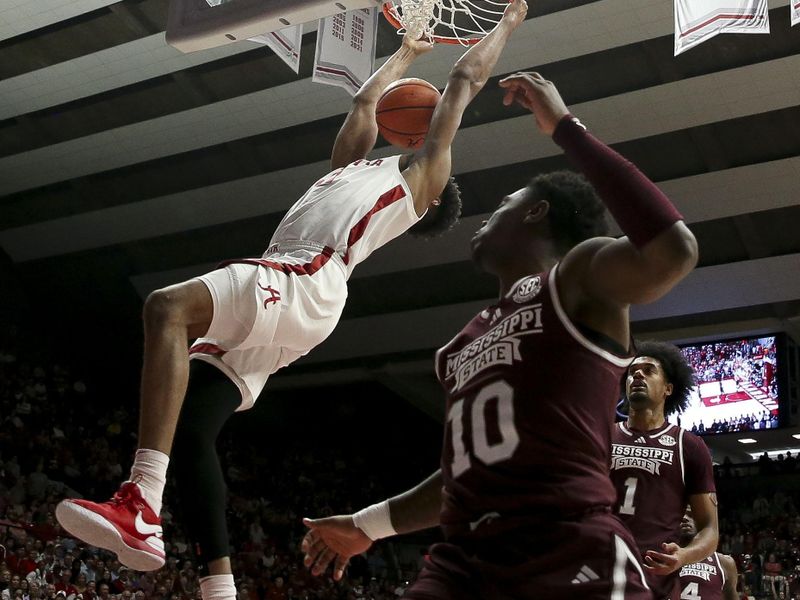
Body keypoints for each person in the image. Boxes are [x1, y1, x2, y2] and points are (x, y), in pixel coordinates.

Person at [54, 0, 528, 598]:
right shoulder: (351, 170)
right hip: (295, 294)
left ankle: (142, 499)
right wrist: (406, 52)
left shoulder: (420, 182)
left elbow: (464, 80)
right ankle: (217, 586)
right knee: (193, 427)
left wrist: (508, 21)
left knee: (166, 308)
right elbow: (363, 104)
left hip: (306, 277)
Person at [301, 68, 699, 598]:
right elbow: (462, 476)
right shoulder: (461, 343)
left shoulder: (578, 279)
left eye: (505, 203)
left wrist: (565, 128)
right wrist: (364, 525)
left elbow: (674, 250)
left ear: (536, 211)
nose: (485, 217)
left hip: (566, 541)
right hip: (464, 558)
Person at [611, 341, 719, 599]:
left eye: (649, 371)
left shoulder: (689, 446)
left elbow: (709, 529)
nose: (637, 374)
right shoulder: (603, 435)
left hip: (655, 583)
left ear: (668, 389)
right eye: (633, 371)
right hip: (600, 572)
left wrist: (684, 555)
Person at [677, 510, 738, 600]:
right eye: (680, 516)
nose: (685, 518)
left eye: (691, 515)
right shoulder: (664, 558)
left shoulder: (724, 562)